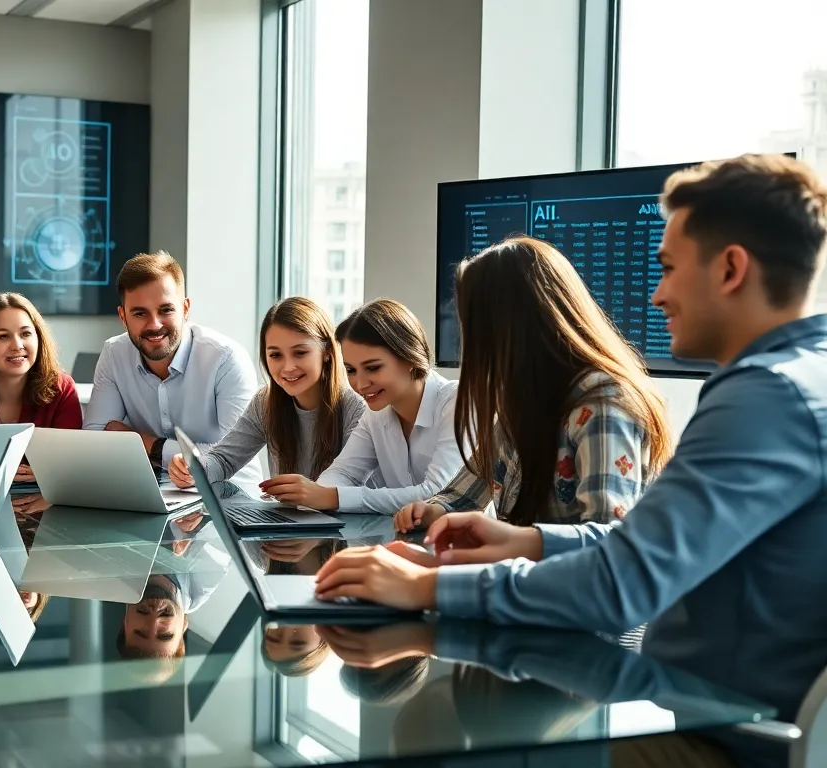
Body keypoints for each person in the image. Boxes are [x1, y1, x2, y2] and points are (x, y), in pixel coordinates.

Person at [313, 154, 827, 768]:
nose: (657, 294)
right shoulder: (797, 379)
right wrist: (526, 542)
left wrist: (429, 584)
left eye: (666, 269)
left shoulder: (763, 399)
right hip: (699, 708)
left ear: (731, 268)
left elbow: (622, 583)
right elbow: (636, 551)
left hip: (730, 738)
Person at [392, 236, 673, 533]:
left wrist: (513, 540)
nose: (471, 344)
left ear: (515, 325)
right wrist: (432, 510)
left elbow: (607, 537)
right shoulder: (521, 401)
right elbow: (463, 496)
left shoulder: (603, 403)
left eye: (476, 326)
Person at [256, 298, 461, 514]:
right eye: (351, 370)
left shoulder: (456, 402)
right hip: (405, 542)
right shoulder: (377, 412)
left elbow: (439, 495)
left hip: (468, 544)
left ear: (409, 356)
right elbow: (343, 473)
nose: (360, 385)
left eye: (373, 368)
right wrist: (308, 498)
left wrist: (330, 497)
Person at [84, 251, 259, 483]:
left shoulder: (225, 359)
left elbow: (236, 461)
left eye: (166, 310)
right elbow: (95, 445)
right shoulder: (114, 353)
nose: (154, 325)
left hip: (224, 498)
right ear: (123, 317)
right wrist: (192, 456)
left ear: (185, 308)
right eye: (139, 313)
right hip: (148, 495)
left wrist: (151, 445)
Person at [168, 296, 364, 491]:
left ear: (327, 351)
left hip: (345, 521)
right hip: (288, 519)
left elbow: (351, 481)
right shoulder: (266, 401)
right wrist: (194, 470)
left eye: (300, 352)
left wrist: (313, 494)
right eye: (276, 355)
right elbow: (224, 459)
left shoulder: (355, 408)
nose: (287, 367)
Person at [0, 292, 82, 481]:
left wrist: (48, 476)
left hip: (46, 496)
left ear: (38, 339)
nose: (17, 345)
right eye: (3, 336)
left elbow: (71, 463)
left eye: (26, 333)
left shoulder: (62, 388)